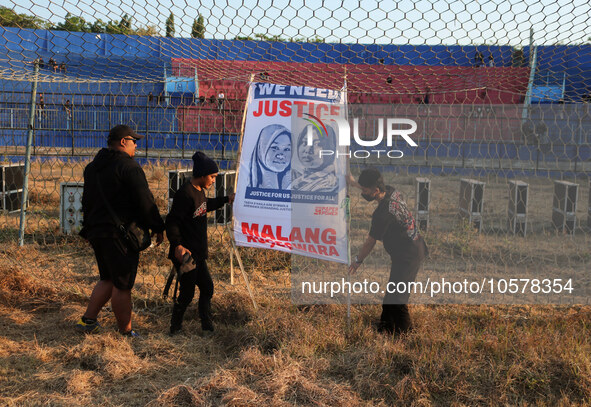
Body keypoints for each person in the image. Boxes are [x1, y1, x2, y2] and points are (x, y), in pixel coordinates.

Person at [77, 125, 165, 337]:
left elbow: (86, 202)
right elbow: (146, 202)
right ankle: (126, 332)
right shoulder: (129, 168)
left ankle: (87, 320)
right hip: (120, 235)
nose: (136, 146)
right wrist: (158, 227)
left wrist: (88, 230)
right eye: (134, 141)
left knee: (107, 278)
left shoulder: (92, 168)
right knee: (123, 285)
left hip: (98, 232)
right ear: (123, 141)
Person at [349, 168, 427, 335]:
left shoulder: (382, 214)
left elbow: (370, 242)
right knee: (391, 295)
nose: (363, 192)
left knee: (398, 299)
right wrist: (353, 182)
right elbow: (370, 183)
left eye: (364, 190)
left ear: (376, 191)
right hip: (411, 248)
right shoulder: (391, 191)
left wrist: (357, 260)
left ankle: (406, 335)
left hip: (409, 255)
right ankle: (385, 328)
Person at [166, 151, 235, 335]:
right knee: (187, 294)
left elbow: (205, 206)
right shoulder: (185, 194)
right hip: (187, 255)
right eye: (212, 177)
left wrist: (226, 200)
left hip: (198, 253)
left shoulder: (199, 192)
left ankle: (206, 324)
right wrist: (177, 246)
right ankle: (175, 327)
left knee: (207, 287)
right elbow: (172, 221)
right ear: (203, 174)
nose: (213, 180)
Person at [291, 124, 337, 192]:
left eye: (317, 144)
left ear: (329, 148)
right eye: (304, 142)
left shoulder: (330, 185)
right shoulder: (298, 179)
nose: (307, 150)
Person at [249, 124, 291, 190]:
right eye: (275, 147)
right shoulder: (245, 185)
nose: (281, 156)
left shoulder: (300, 185)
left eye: (287, 149)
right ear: (261, 149)